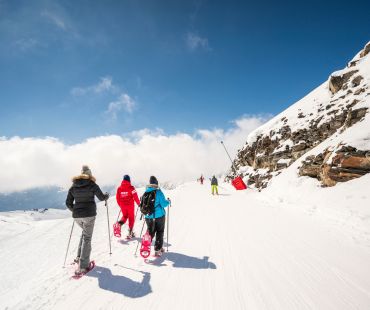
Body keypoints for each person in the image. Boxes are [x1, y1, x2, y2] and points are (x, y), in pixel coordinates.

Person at [66, 165, 109, 275]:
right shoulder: (92, 184)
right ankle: (83, 266)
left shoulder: (73, 186)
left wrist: (75, 210)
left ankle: (79, 257)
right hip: (89, 215)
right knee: (87, 238)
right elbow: (101, 197)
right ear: (89, 175)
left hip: (77, 216)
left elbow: (68, 203)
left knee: (85, 235)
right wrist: (106, 196)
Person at [144, 176, 170, 256]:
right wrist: (168, 201)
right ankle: (158, 249)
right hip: (159, 216)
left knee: (150, 232)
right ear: (156, 183)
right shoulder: (158, 192)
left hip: (148, 217)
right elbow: (163, 204)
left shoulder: (146, 192)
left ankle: (145, 245)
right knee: (159, 231)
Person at [115, 174, 140, 238]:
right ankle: (130, 232)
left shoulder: (119, 188)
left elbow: (117, 198)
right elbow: (135, 197)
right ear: (129, 180)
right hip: (130, 206)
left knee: (125, 216)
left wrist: (120, 205)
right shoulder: (131, 188)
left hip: (123, 206)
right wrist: (139, 204)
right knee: (131, 217)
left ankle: (118, 224)